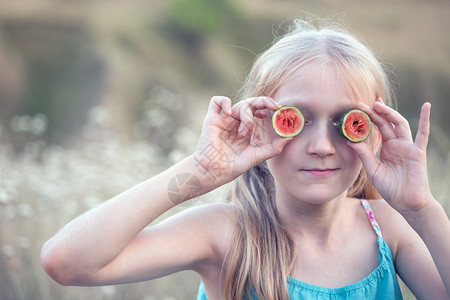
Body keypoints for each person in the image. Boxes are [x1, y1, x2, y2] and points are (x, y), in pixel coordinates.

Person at [40, 18, 450, 299]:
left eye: (347, 122)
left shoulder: (391, 229)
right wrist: (197, 171)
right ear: (258, 126)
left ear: (374, 131)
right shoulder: (226, 234)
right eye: (297, 119)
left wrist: (423, 209)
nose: (322, 145)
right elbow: (67, 262)